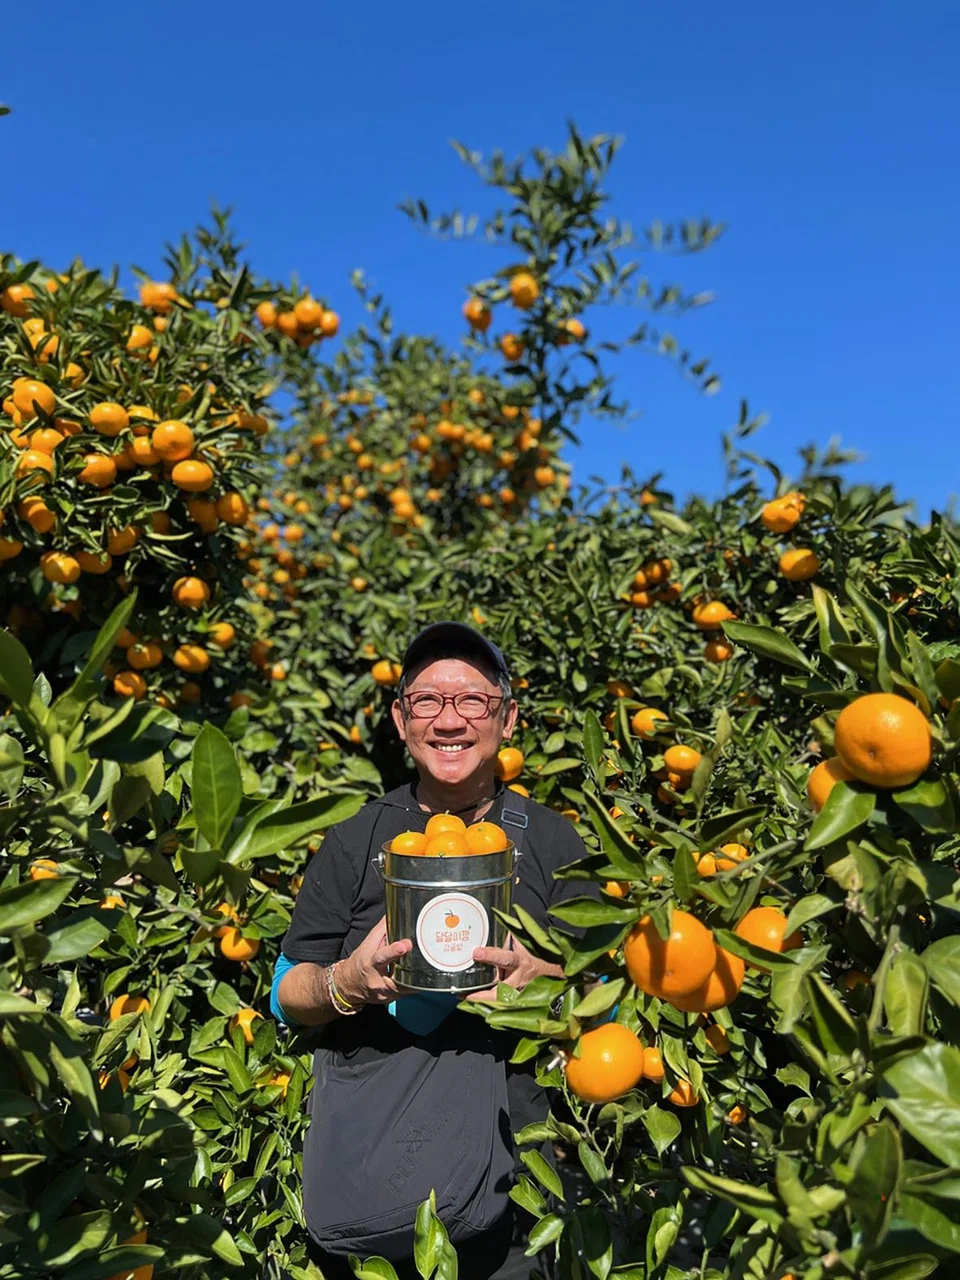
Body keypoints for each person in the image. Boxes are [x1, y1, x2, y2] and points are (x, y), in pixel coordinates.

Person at [274, 622, 591, 1280]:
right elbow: (286, 993)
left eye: (473, 700)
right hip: (378, 1181)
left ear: (508, 719)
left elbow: (610, 995)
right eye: (427, 701)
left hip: (520, 1202)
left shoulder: (557, 845)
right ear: (401, 719)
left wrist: (548, 985)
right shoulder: (357, 839)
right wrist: (346, 983)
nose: (449, 720)